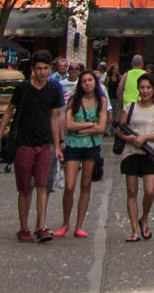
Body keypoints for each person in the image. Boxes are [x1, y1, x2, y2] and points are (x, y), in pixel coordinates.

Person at [8, 55, 62, 242]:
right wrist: (0, 136)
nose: (42, 72)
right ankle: (24, 227)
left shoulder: (54, 89)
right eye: (39, 68)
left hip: (44, 143)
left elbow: (55, 118)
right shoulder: (23, 88)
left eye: (45, 68)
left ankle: (41, 225)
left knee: (42, 186)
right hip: (24, 143)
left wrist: (57, 144)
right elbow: (10, 111)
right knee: (24, 188)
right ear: (33, 69)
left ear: (50, 69)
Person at [59, 69, 109, 238]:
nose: (87, 84)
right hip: (73, 145)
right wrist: (90, 125)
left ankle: (79, 225)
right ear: (80, 84)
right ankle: (65, 222)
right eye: (84, 81)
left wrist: (82, 128)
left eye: (90, 80)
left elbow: (102, 128)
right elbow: (69, 125)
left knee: (86, 185)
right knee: (69, 185)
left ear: (95, 82)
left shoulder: (101, 100)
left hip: (91, 146)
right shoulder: (74, 100)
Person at [115, 77, 154, 240]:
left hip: (150, 153)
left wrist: (144, 138)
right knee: (132, 191)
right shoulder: (129, 108)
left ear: (153, 89)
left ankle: (144, 217)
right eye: (142, 88)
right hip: (131, 153)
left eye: (148, 87)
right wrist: (128, 138)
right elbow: (120, 130)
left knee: (149, 191)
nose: (145, 91)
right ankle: (134, 230)